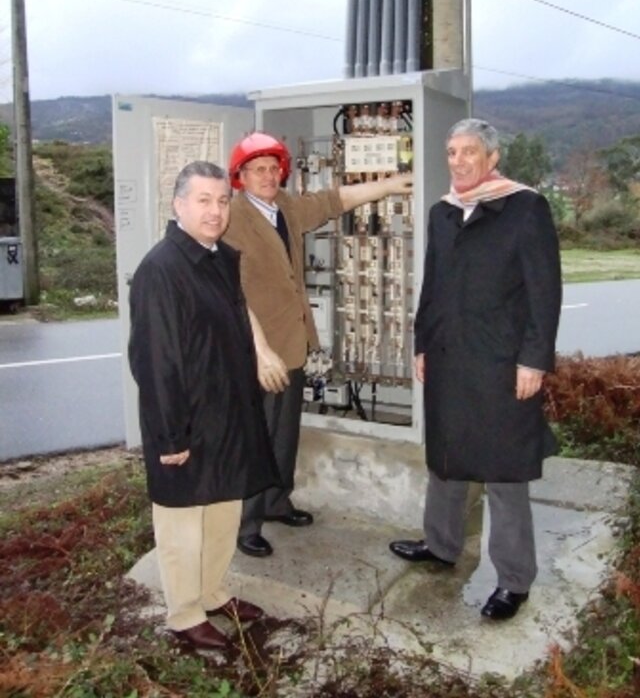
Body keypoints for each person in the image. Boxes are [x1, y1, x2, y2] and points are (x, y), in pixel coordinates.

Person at [389, 118, 562, 621]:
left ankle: (514, 579)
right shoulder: (443, 212)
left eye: (469, 151)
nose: (459, 161)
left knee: (504, 471)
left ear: (492, 157)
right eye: (452, 152)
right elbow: (433, 285)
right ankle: (440, 544)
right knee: (446, 457)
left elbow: (544, 292)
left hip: (502, 363)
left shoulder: (525, 208)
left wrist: (534, 360)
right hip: (448, 356)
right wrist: (423, 342)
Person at [223, 132, 413, 558]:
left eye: (273, 168)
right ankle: (246, 522)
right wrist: (258, 350)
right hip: (256, 349)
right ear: (240, 177)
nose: (268, 176)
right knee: (256, 435)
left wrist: (386, 185)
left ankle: (276, 501)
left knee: (284, 432)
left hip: (290, 342)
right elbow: (229, 291)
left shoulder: (284, 207)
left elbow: (332, 201)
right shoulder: (233, 217)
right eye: (257, 169)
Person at [128, 161, 283, 650]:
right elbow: (155, 360)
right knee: (182, 521)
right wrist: (170, 436)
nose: (215, 211)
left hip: (226, 415)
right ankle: (184, 614)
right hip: (185, 421)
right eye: (203, 200)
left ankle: (212, 591)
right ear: (178, 205)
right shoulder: (161, 270)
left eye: (221, 200)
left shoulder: (219, 258)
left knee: (221, 512)